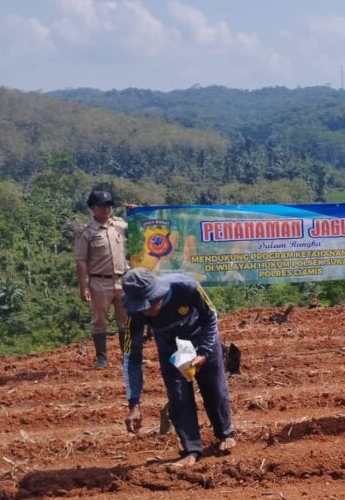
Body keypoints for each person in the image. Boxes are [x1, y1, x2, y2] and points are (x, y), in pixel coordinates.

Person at [120, 268, 236, 467]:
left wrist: (204, 353)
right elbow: (132, 356)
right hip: (170, 348)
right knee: (179, 396)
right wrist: (134, 404)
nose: (146, 311)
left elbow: (210, 316)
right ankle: (191, 449)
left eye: (149, 303)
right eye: (141, 307)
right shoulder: (135, 314)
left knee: (214, 389)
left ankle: (225, 433)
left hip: (201, 338)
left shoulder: (186, 287)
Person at [74, 189, 129, 368]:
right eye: (102, 206)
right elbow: (81, 261)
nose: (107, 209)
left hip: (123, 279)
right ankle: (102, 359)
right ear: (93, 208)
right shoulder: (86, 232)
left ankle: (127, 356)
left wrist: (135, 212)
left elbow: (140, 230)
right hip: (99, 282)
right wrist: (83, 287)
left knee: (126, 321)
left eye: (109, 205)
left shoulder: (121, 225)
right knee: (99, 321)